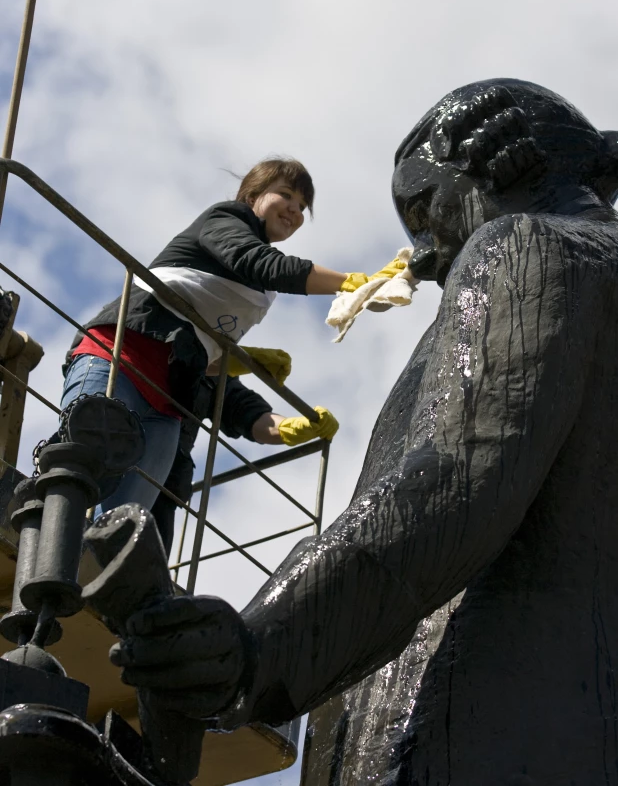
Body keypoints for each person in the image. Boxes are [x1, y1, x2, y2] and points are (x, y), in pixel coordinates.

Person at [110, 81, 618, 783]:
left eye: (424, 210)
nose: (424, 254)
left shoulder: (525, 245)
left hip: (464, 737)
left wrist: (256, 647)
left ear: (497, 166)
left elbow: (459, 478)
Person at [61, 157, 401, 514]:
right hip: (119, 358)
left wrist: (267, 394)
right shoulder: (225, 219)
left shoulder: (256, 292)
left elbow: (213, 372)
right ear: (252, 194)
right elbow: (260, 263)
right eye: (285, 194)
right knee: (77, 475)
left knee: (124, 525)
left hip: (168, 404)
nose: (295, 210)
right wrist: (353, 283)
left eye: (303, 207)